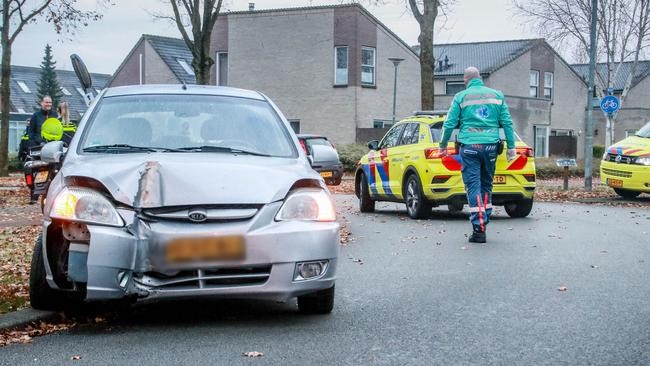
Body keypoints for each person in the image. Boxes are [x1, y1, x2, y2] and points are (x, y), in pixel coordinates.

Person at [439, 66, 517, 243]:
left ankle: (479, 228)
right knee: (486, 185)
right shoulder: (497, 96)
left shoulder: (460, 97)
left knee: (473, 186)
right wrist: (511, 147)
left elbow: (449, 123)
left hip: (470, 147)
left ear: (466, 80)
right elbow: (507, 123)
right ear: (480, 78)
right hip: (490, 147)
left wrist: (443, 145)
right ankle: (484, 218)